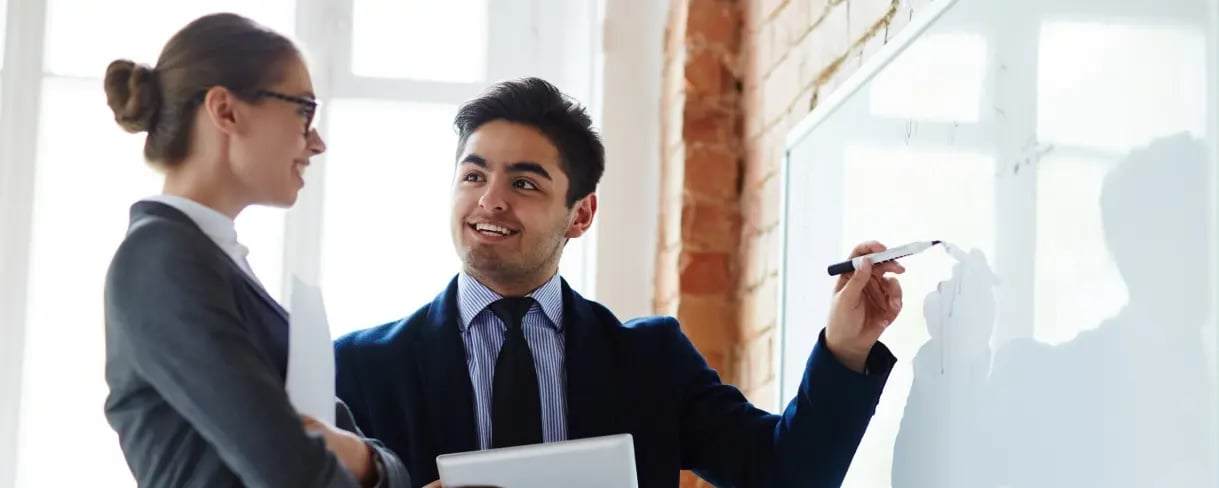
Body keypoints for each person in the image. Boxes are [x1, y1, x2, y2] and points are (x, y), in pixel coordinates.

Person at [333, 77, 905, 487]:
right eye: (473, 175)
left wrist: (846, 348)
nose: (490, 200)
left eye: (524, 183)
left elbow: (787, 474)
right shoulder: (358, 369)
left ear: (580, 214)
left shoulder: (651, 361)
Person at [101, 13, 410, 488]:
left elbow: (362, 454)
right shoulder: (161, 262)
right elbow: (292, 468)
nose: (317, 142)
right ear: (225, 111)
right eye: (304, 111)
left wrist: (366, 460)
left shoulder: (208, 258)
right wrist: (364, 461)